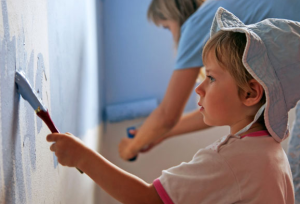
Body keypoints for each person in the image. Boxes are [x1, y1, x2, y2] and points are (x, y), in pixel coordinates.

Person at [46, 8, 300, 203]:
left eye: (211, 78)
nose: (199, 88)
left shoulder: (231, 160)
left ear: (250, 93)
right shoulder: (272, 153)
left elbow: (148, 200)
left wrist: (83, 157)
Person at [118, 0, 300, 161]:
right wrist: (163, 134)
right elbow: (221, 104)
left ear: (175, 14)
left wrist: (129, 149)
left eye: (167, 27)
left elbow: (167, 115)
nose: (199, 89)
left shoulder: (195, 24)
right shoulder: (223, 7)